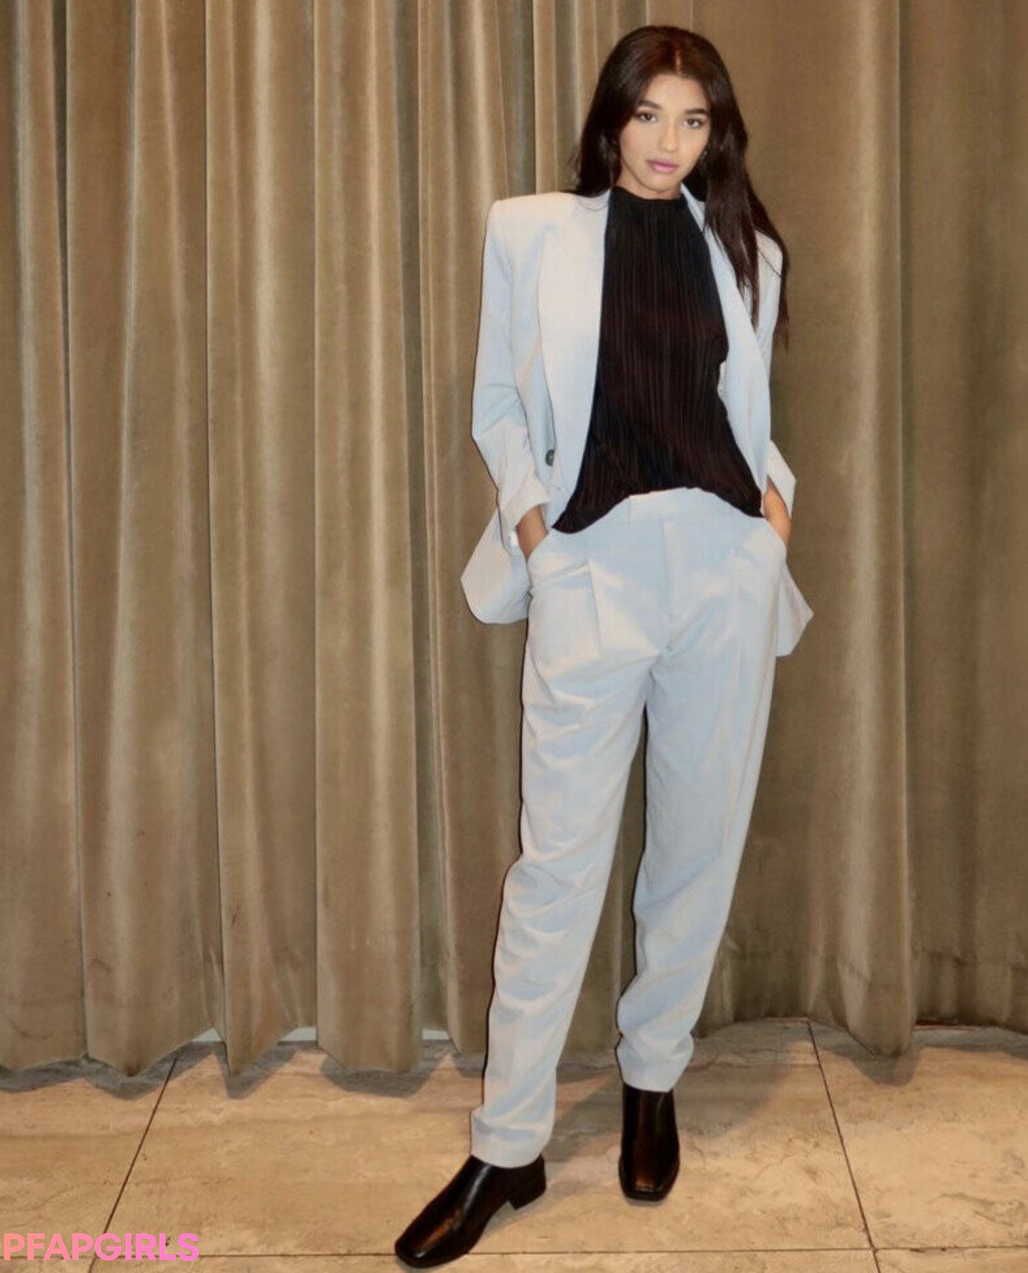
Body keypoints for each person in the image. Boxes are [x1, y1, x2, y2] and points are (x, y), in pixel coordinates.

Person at [395, 23, 814, 1269]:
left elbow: (748, 414)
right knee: (558, 863)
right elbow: (497, 402)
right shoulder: (531, 232)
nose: (667, 142)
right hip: (591, 565)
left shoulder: (748, 252)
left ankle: (652, 1075)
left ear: (716, 134)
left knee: (697, 839)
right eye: (648, 115)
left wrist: (773, 523)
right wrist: (538, 534)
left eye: (694, 121)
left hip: (722, 563)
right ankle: (506, 1143)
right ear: (610, 118)